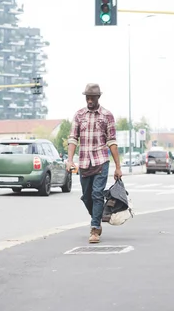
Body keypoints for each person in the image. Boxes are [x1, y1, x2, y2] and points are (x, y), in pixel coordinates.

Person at [66, 83, 122, 244]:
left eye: (92, 97)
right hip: (84, 161)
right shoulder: (79, 115)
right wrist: (70, 160)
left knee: (97, 194)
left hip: (101, 160)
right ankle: (99, 215)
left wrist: (118, 167)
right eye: (87, 97)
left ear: (98, 97)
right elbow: (72, 138)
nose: (89, 100)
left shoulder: (107, 116)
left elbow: (112, 141)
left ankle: (95, 228)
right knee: (86, 196)